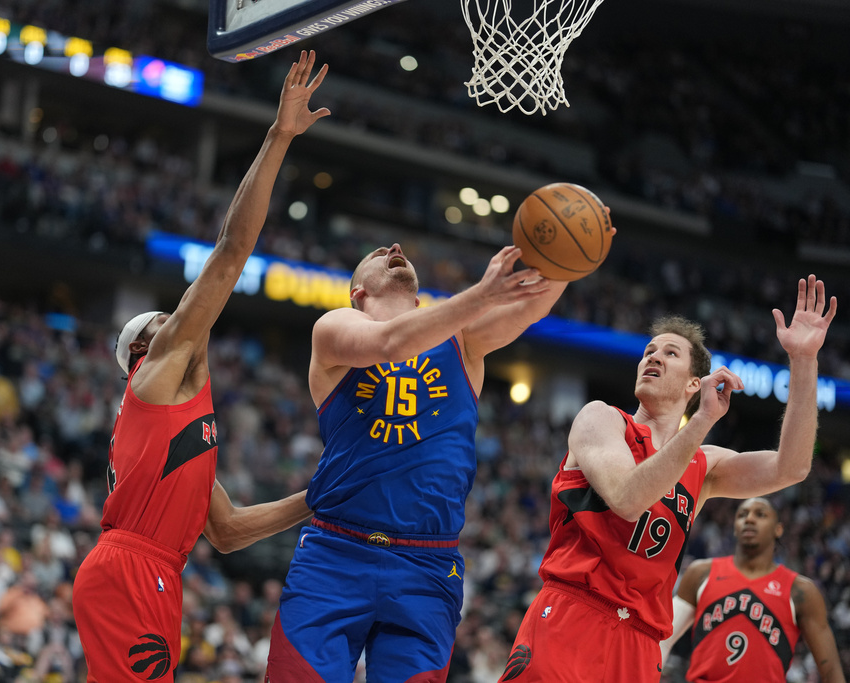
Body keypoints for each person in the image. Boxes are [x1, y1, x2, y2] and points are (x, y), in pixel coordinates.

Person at [72, 50, 330, 683]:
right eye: (163, 319)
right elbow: (232, 250)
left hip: (155, 571)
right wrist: (278, 137)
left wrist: (323, 496)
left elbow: (230, 530)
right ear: (141, 350)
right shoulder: (159, 372)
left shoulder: (178, 431)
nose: (180, 319)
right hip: (133, 570)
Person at [266, 236, 581, 682]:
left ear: (418, 299)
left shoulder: (463, 339)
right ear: (358, 292)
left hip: (427, 563)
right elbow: (390, 344)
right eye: (374, 252)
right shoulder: (336, 327)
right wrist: (481, 295)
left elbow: (533, 305)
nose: (391, 246)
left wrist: (573, 250)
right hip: (336, 554)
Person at [499, 275, 837, 683]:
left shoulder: (704, 467)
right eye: (649, 351)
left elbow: (793, 467)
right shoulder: (602, 419)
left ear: (695, 383)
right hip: (574, 615)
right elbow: (627, 497)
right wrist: (702, 421)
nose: (652, 358)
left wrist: (803, 362)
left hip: (640, 644)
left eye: (670, 353)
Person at [661, 497, 845, 683]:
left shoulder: (801, 591)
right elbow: (662, 639)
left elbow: (831, 671)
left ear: (778, 529)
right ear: (734, 527)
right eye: (742, 515)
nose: (749, 519)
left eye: (761, 514)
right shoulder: (700, 573)